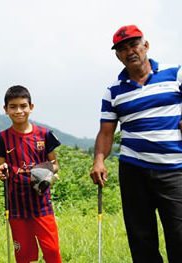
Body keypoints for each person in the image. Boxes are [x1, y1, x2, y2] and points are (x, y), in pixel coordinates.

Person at [90, 25, 182, 262]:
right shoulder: (113, 91)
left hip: (174, 168)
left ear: (146, 46)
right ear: (117, 55)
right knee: (141, 237)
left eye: (133, 44)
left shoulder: (176, 75)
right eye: (122, 48)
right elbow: (106, 132)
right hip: (134, 170)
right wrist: (99, 160)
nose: (129, 51)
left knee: (179, 235)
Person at [0, 85, 62, 263]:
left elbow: (55, 165)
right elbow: (2, 168)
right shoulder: (2, 138)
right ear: (5, 109)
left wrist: (43, 173)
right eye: (13, 106)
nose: (18, 111)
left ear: (31, 107)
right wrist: (2, 173)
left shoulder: (44, 135)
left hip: (41, 204)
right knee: (23, 255)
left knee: (52, 251)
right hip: (16, 205)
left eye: (23, 106)